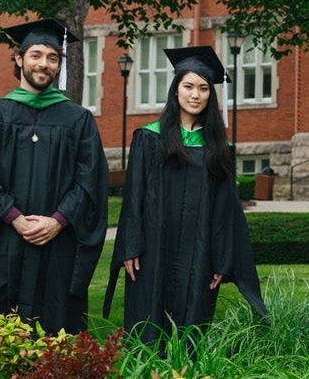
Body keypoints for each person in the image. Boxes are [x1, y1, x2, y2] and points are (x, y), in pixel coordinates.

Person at [0, 19, 109, 351]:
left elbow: (90, 181)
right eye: (36, 55)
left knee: (56, 336)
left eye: (53, 58)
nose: (44, 64)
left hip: (58, 248)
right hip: (4, 244)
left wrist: (59, 220)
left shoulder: (78, 120)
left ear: (59, 65)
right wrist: (14, 217)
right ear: (19, 58)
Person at [106, 46, 266, 346]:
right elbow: (134, 197)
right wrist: (130, 246)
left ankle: (187, 374)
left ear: (210, 95)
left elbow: (225, 211)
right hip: (152, 249)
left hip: (199, 251)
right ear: (176, 90)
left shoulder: (218, 148)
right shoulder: (148, 138)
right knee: (148, 325)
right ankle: (147, 373)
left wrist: (221, 260)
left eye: (203, 88)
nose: (196, 95)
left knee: (190, 332)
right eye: (189, 86)